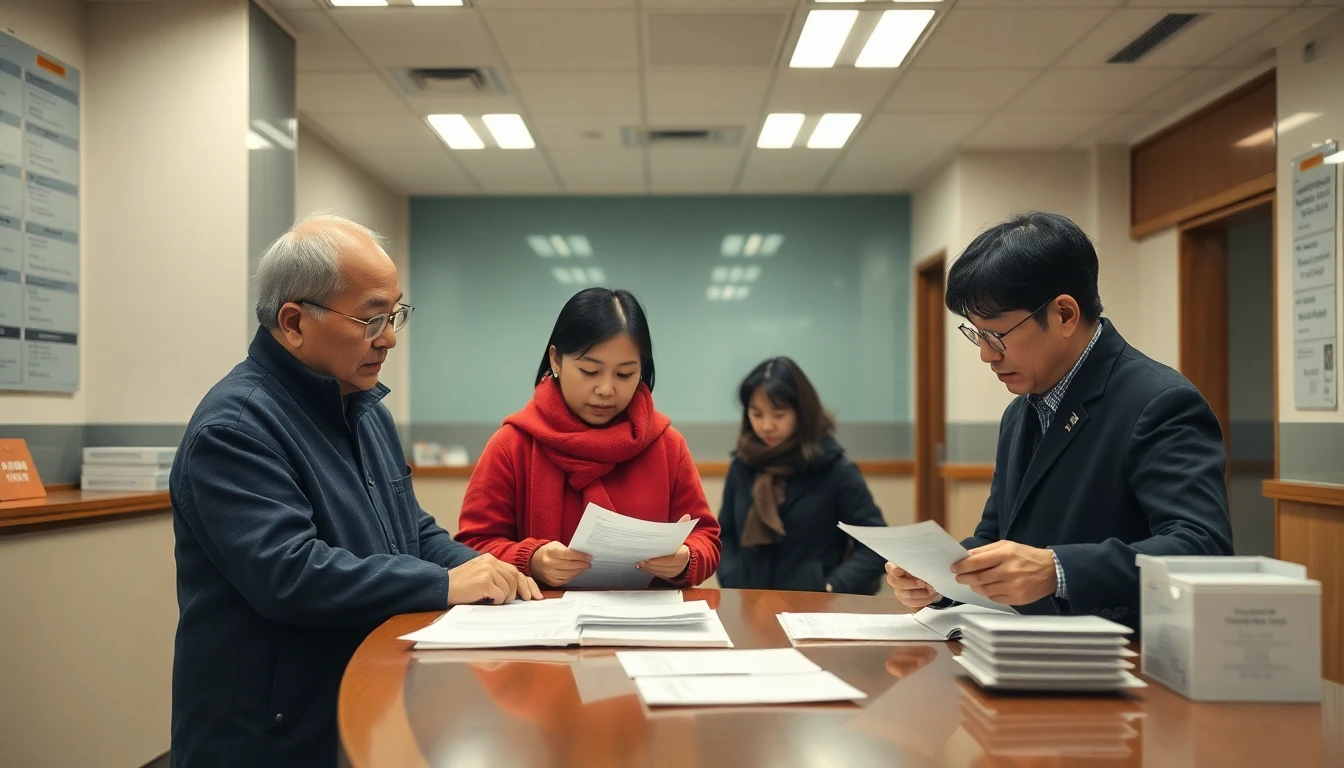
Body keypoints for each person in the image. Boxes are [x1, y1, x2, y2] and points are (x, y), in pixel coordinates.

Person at [169, 214, 540, 768]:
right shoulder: (236, 428)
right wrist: (443, 584)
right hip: (268, 738)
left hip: (359, 702)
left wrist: (493, 572)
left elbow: (412, 533)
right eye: (371, 319)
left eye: (394, 315)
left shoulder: (364, 411)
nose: (389, 338)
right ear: (294, 322)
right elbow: (290, 574)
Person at [885, 212, 1233, 628]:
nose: (986, 354)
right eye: (976, 334)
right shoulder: (1020, 412)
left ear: (1065, 314)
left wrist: (1058, 570)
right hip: (1025, 648)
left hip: (1126, 652)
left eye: (996, 335)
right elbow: (997, 538)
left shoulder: (1158, 401)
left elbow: (1202, 549)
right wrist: (941, 579)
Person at [456, 287, 721, 587]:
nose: (606, 389)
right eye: (590, 371)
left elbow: (707, 540)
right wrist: (530, 560)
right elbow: (472, 547)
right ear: (556, 360)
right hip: (544, 614)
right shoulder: (513, 445)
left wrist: (686, 558)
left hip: (643, 614)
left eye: (624, 374)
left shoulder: (667, 445)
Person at [717, 357, 888, 594]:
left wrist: (831, 587)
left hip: (814, 606)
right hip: (749, 604)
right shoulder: (742, 465)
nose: (766, 426)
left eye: (778, 415)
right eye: (756, 414)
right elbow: (725, 535)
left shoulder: (834, 469)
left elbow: (876, 545)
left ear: (801, 412)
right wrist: (731, 577)